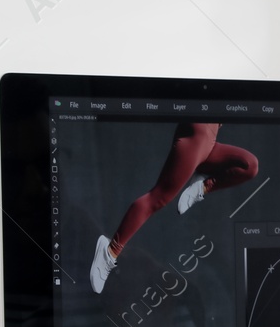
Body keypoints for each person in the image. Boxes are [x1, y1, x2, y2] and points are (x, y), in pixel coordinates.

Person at [89, 122, 258, 293]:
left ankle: (203, 186)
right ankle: (110, 251)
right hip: (195, 138)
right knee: (157, 199)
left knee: (250, 165)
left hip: (209, 144)